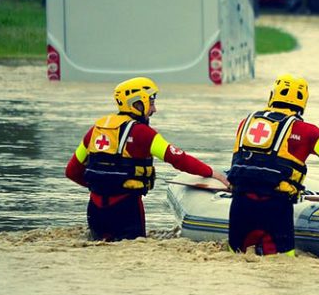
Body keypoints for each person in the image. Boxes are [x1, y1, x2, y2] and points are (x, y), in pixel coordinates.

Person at [226, 74, 319, 256]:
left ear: (272, 95)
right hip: (276, 207)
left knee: (234, 259)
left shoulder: (245, 123)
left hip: (240, 204)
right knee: (283, 266)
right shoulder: (309, 133)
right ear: (303, 103)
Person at [65, 77, 229, 241]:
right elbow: (178, 159)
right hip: (127, 208)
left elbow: (72, 171)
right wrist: (212, 173)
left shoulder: (95, 130)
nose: (154, 109)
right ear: (137, 103)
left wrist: (103, 186)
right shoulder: (142, 133)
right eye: (151, 102)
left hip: (95, 210)